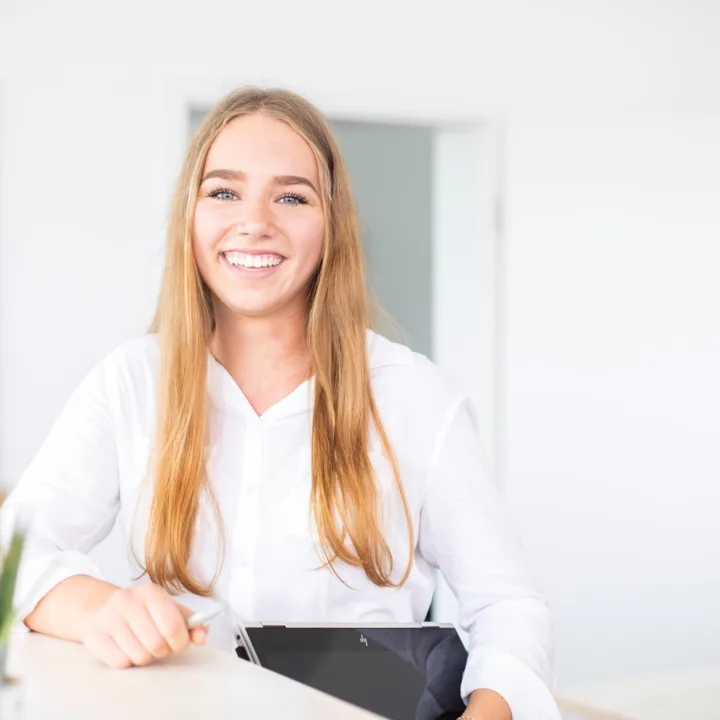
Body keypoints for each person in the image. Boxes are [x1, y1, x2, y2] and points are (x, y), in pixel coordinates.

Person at [0, 88, 560, 720]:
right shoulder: (131, 381)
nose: (255, 221)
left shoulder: (415, 398)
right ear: (191, 214)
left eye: (291, 197)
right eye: (224, 191)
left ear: (332, 224)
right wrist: (98, 606)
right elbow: (12, 551)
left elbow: (509, 608)